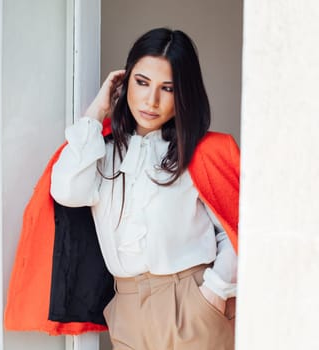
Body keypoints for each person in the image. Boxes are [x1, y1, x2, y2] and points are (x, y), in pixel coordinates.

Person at [50, 27, 239, 349]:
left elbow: (237, 230)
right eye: (142, 83)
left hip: (192, 303)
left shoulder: (203, 152)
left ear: (184, 95)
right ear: (124, 85)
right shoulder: (101, 151)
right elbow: (67, 191)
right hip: (127, 308)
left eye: (167, 88)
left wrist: (214, 293)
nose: (151, 101)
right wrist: (96, 113)